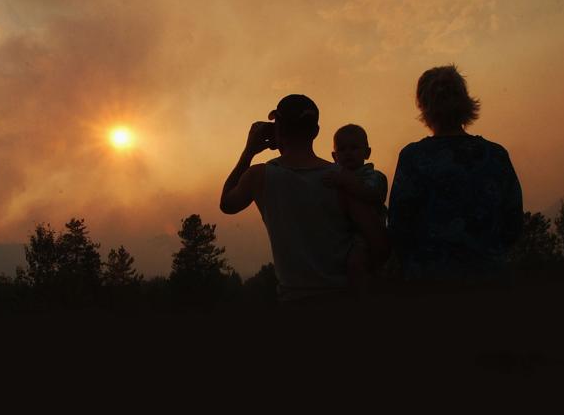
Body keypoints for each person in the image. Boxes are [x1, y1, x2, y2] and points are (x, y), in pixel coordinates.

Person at [219, 94, 388, 301]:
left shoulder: (259, 176)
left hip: (293, 300)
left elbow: (227, 203)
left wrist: (249, 151)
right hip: (342, 300)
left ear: (278, 129)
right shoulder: (342, 178)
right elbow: (379, 245)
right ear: (316, 132)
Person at [388, 65, 523, 281]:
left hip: (429, 281)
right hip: (489, 278)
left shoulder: (414, 157)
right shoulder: (495, 155)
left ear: (424, 106)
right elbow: (513, 221)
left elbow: (399, 226)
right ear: (464, 101)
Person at [322, 123, 389, 281]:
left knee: (356, 264)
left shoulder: (374, 176)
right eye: (342, 149)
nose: (348, 153)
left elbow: (370, 194)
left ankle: (362, 301)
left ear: (367, 152)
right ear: (334, 156)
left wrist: (345, 181)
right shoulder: (333, 177)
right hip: (343, 234)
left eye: (354, 148)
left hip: (366, 236)